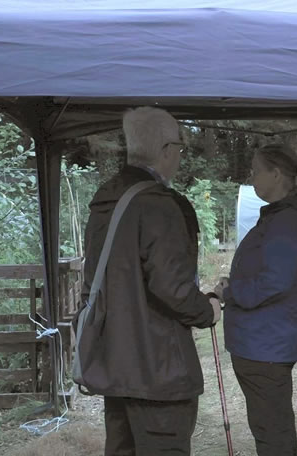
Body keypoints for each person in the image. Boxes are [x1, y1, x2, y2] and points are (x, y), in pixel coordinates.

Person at [81, 107, 221, 455]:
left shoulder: (106, 201)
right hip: (158, 369)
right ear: (165, 150)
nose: (179, 155)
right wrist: (209, 309)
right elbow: (172, 287)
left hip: (116, 363)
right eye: (179, 147)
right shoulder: (159, 205)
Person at [216, 143, 297, 456]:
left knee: (272, 432)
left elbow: (274, 281)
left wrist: (231, 292)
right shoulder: (281, 216)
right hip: (263, 342)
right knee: (270, 428)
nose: (251, 179)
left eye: (256, 171)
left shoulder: (287, 220)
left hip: (266, 344)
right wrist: (234, 283)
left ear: (276, 174)